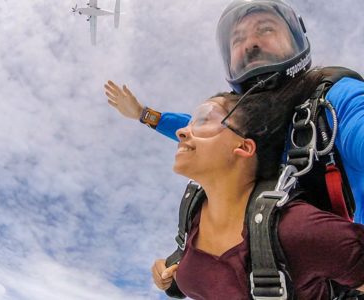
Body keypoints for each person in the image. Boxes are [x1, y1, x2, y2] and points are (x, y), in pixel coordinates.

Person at [105, 0, 364, 223]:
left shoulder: (337, 99)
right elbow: (201, 131)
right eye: (238, 38)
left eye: (266, 29)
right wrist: (144, 114)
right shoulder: (242, 123)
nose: (250, 42)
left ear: (297, 38)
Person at [149, 74, 364, 299]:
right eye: (190, 123)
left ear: (243, 147)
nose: (181, 132)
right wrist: (170, 275)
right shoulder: (192, 214)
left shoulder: (299, 230)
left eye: (204, 120)